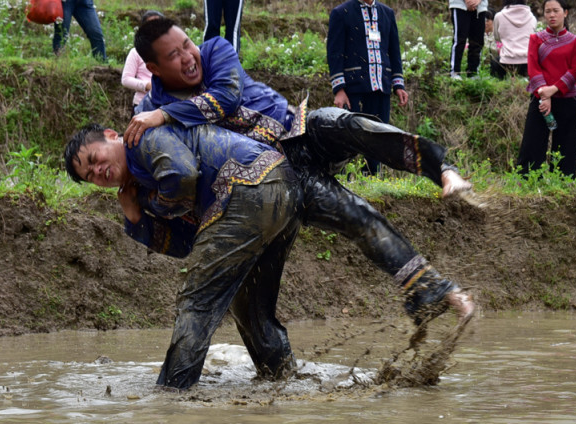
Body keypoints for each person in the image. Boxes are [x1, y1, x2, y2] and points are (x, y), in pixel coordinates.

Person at [64, 122, 474, 390]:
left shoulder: (147, 139)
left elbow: (185, 177)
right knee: (249, 306)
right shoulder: (143, 188)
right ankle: (281, 378)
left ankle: (171, 395)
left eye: (95, 160)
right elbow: (194, 244)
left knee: (198, 300)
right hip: (270, 191)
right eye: (89, 176)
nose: (98, 173)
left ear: (112, 135)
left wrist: (155, 204)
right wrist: (139, 220)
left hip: (259, 175)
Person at [126, 18, 471, 199]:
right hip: (273, 175)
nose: (188, 57)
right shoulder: (152, 107)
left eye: (187, 44)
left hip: (299, 131)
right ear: (153, 68)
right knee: (356, 218)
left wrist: (166, 115)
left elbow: (226, 99)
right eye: (174, 55)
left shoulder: (215, 51)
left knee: (355, 129)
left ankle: (442, 169)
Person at [326, 0, 409, 175]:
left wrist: (398, 84)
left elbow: (394, 51)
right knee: (351, 136)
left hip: (381, 86)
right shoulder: (342, 13)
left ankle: (372, 177)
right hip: (353, 88)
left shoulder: (387, 13)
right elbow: (334, 53)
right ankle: (349, 178)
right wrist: (339, 89)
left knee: (378, 136)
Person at [516, 0, 576, 178]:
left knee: (566, 144)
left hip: (566, 98)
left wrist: (552, 90)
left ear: (565, 13)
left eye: (556, 11)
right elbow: (533, 67)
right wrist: (544, 94)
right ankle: (528, 181)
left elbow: (575, 70)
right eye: (548, 12)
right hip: (539, 97)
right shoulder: (535, 39)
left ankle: (563, 182)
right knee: (533, 141)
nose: (551, 15)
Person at [121, 10, 164, 115]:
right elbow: (126, 79)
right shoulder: (136, 52)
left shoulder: (170, 51)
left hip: (167, 106)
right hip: (142, 105)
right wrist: (147, 85)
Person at [492, 0, 537, 79]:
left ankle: (499, 83)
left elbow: (497, 38)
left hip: (506, 61)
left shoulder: (499, 16)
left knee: (494, 61)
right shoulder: (532, 17)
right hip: (527, 61)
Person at [449, 0, 489, 79]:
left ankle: (473, 72)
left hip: (480, 7)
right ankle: (455, 72)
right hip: (460, 5)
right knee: (460, 40)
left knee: (477, 41)